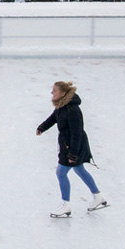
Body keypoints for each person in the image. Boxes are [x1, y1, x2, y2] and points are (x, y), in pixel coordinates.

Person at [37, 81, 107, 217]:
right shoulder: (61, 106)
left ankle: (66, 205)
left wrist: (73, 154)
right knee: (79, 169)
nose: (52, 92)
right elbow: (53, 118)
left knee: (61, 173)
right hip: (67, 144)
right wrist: (42, 127)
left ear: (62, 93)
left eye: (54, 90)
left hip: (74, 145)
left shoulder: (73, 110)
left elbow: (77, 133)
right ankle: (98, 196)